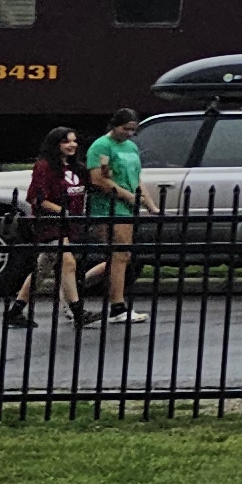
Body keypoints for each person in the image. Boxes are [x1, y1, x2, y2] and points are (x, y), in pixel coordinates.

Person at [12, 127, 86, 328]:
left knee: (43, 268)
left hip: (68, 223)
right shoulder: (44, 166)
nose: (72, 145)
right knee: (67, 262)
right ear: (55, 144)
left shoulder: (74, 167)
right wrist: (60, 210)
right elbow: (36, 197)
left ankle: (16, 310)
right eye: (66, 142)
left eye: (74, 141)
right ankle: (78, 312)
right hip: (50, 223)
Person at [83, 108, 145, 326]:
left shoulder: (131, 147)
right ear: (114, 125)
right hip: (108, 206)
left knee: (119, 256)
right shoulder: (101, 146)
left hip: (126, 206)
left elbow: (136, 177)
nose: (129, 133)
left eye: (133, 130)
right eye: (126, 128)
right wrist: (129, 197)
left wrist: (148, 203)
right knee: (120, 254)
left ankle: (75, 287)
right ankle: (117, 306)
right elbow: (98, 180)